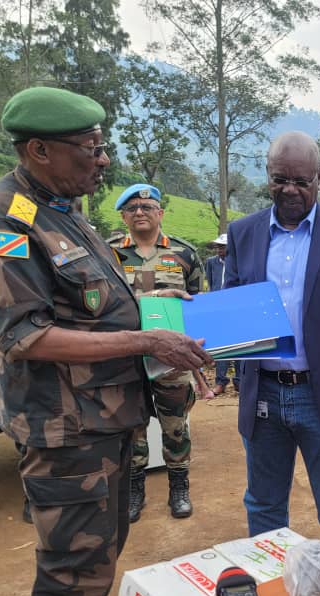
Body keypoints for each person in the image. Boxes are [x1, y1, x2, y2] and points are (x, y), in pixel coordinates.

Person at [0, 86, 210, 596]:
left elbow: (98, 307)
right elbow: (24, 335)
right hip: (66, 432)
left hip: (103, 422)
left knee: (96, 563)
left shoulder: (61, 209)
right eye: (89, 149)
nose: (102, 161)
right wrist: (149, 340)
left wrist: (169, 332)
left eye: (102, 147)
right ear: (40, 150)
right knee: (73, 577)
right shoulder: (5, 216)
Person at [224, 131, 320, 548]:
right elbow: (235, 310)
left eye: (301, 181)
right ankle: (273, 593)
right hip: (263, 395)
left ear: (318, 180)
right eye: (280, 179)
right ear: (268, 175)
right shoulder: (243, 234)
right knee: (263, 505)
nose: (289, 190)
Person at [109, 183, 204, 521]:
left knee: (175, 425)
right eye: (132, 208)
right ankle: (135, 490)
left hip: (170, 361)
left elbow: (197, 305)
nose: (139, 212)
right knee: (131, 426)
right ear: (123, 215)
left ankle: (179, 488)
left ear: (160, 212)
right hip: (124, 356)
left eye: (147, 207)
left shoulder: (185, 254)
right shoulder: (108, 254)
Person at [205, 233, 238, 395]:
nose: (219, 250)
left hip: (236, 307)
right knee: (222, 346)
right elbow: (211, 283)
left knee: (240, 344)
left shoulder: (240, 262)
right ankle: (220, 382)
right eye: (217, 246)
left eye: (222, 247)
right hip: (218, 307)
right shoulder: (211, 263)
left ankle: (240, 382)